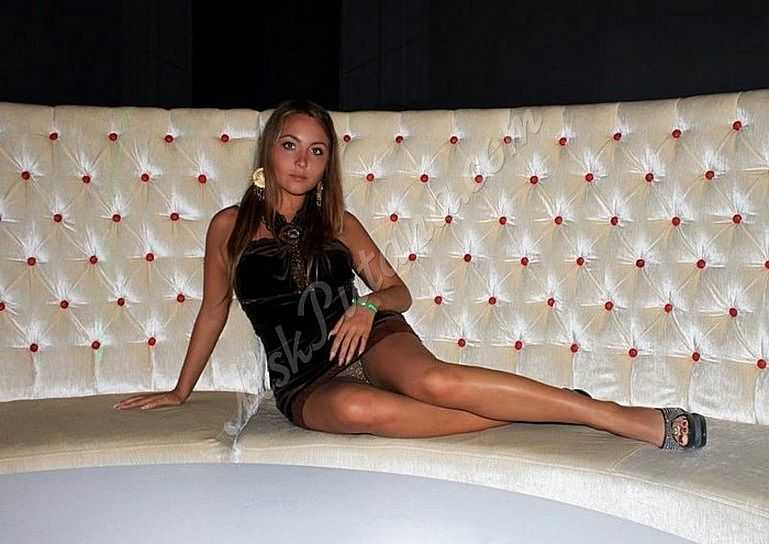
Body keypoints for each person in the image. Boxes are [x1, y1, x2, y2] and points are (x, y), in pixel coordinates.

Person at [113, 99, 707, 452]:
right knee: (355, 413)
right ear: (269, 152)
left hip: (370, 339)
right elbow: (213, 310)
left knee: (435, 381)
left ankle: (611, 417)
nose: (302, 160)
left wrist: (368, 305)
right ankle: (543, 408)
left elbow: (399, 290)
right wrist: (180, 390)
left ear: (326, 165)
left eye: (317, 151)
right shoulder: (228, 228)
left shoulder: (339, 222)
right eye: (291, 145)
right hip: (302, 377)